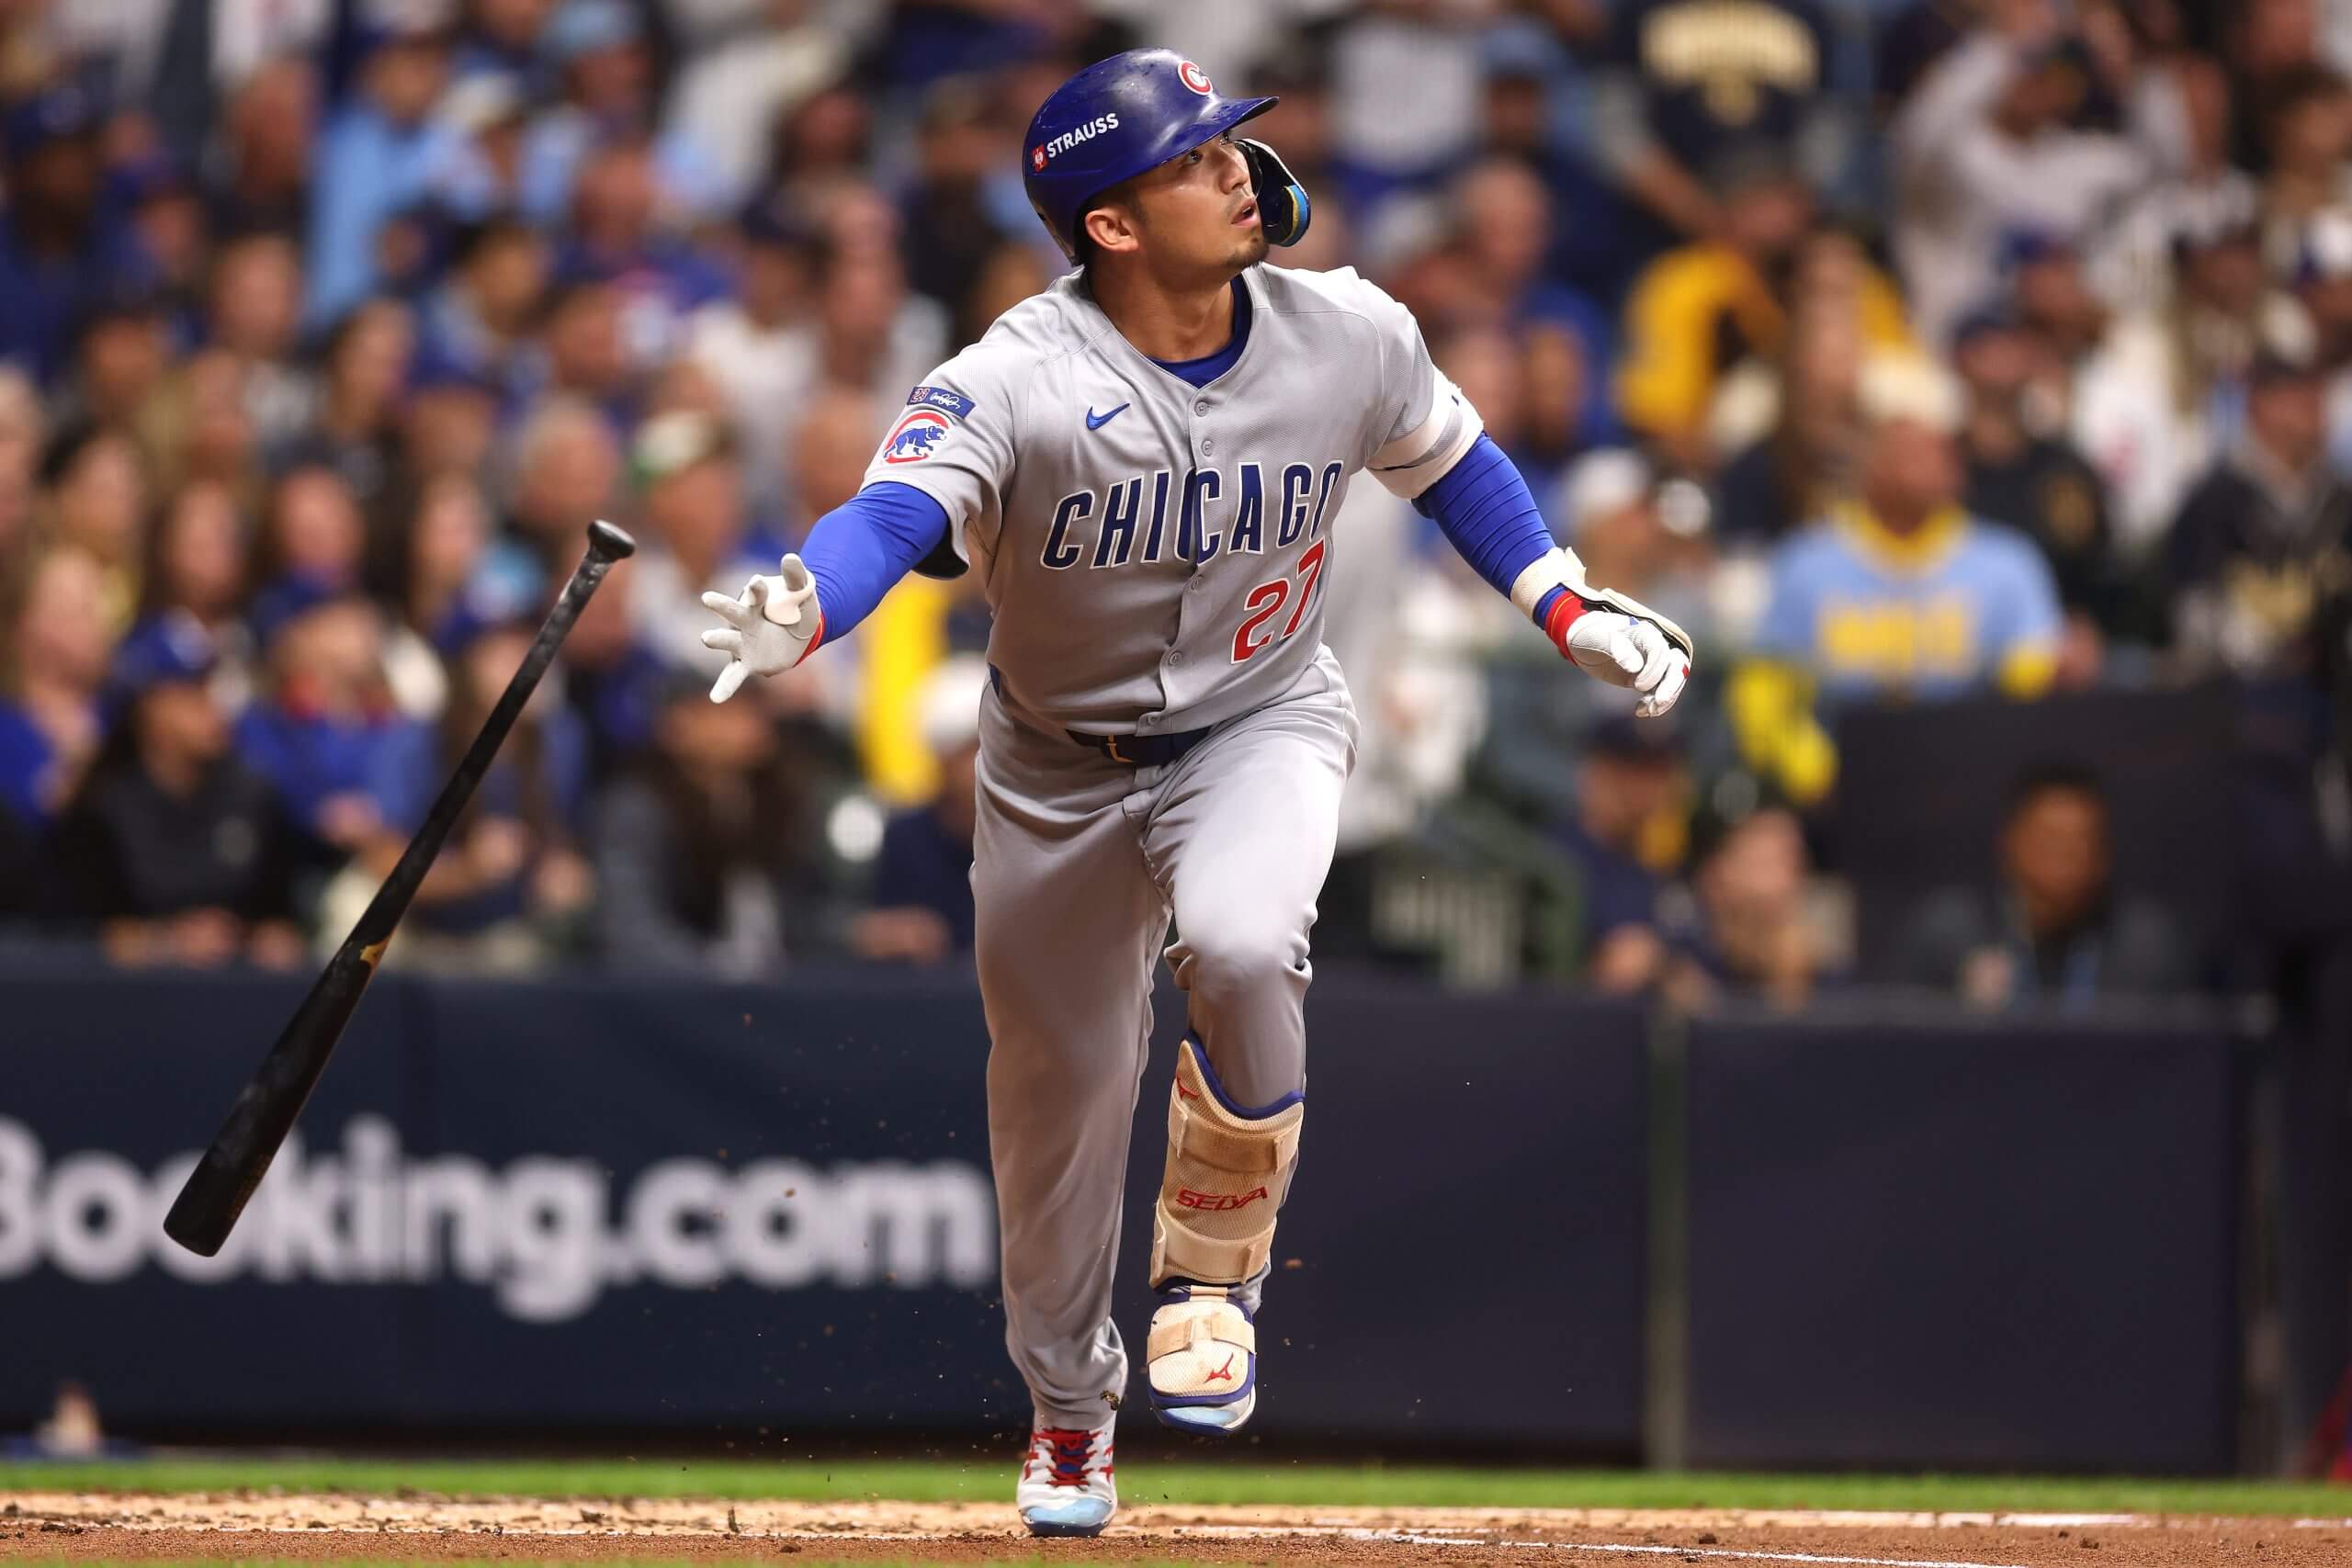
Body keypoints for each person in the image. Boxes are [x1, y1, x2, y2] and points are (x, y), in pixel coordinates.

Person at [695, 50, 1692, 1539]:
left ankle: (1212, 1269)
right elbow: (897, 511)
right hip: (1053, 771)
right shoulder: (1018, 374)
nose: (1235, 167)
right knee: (1056, 1114)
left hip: (1262, 717)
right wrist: (811, 608)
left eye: (1231, 143)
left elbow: (1456, 461)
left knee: (1239, 941)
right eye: (1191, 158)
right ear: (1108, 222)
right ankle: (1068, 1411)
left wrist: (1563, 599)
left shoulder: (1345, 329)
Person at [1895, 761, 2194, 1008]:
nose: (2067, 858)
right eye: (2051, 840)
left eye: (2082, 843)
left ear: (2104, 856)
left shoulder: (2145, 946)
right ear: (2009, 843)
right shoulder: (1950, 934)